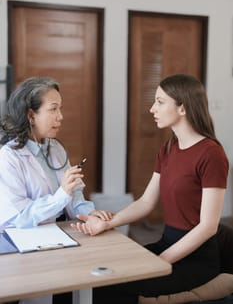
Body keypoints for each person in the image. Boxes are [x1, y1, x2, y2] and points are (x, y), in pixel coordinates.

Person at [71, 74, 229, 304]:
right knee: (102, 276)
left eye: (160, 102)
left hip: (196, 260)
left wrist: (161, 261)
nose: (152, 108)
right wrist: (108, 223)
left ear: (182, 108)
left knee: (113, 289)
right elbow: (146, 202)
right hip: (166, 245)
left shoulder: (211, 154)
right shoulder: (168, 149)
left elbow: (207, 227)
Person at [0, 77, 112, 304]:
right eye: (53, 109)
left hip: (63, 235)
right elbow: (19, 218)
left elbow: (75, 195)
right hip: (28, 243)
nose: (60, 116)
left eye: (60, 108)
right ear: (31, 115)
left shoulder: (56, 148)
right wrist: (61, 194)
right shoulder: (9, 157)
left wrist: (88, 213)